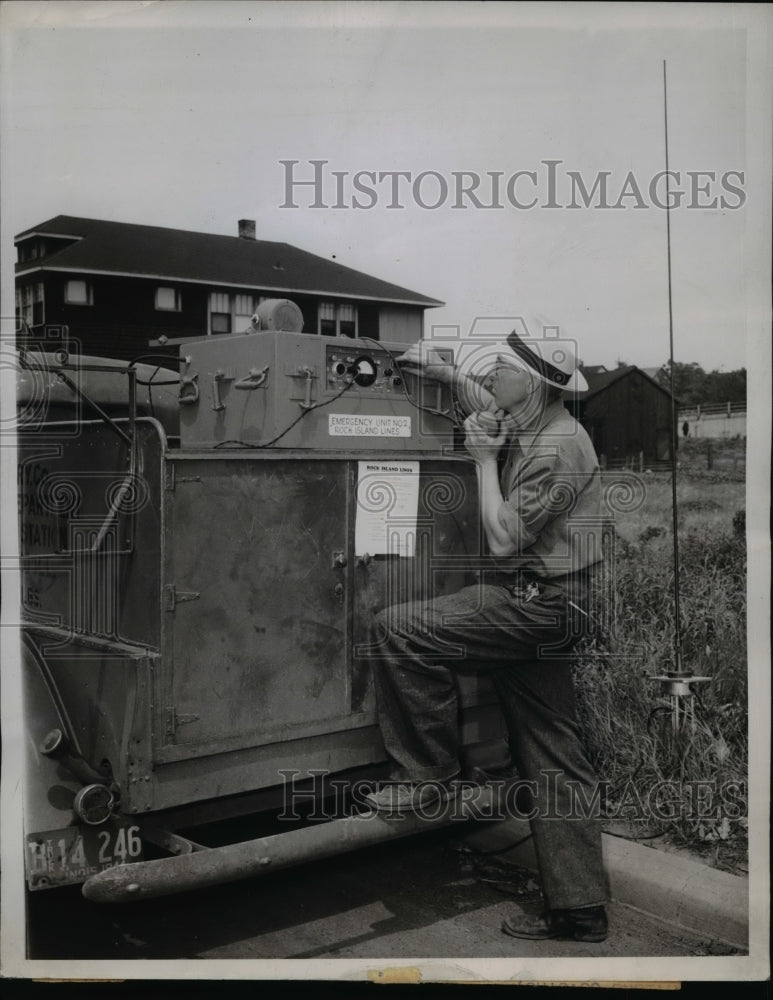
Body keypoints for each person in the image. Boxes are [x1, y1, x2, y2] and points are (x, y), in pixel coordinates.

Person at [362, 325, 610, 943]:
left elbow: (503, 538)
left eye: (500, 369)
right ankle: (580, 910)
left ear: (530, 384)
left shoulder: (557, 449)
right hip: (552, 600)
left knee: (400, 629)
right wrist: (446, 377)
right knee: (554, 746)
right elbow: (482, 398)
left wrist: (480, 461)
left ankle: (428, 777)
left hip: (540, 605)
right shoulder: (537, 419)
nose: (490, 376)